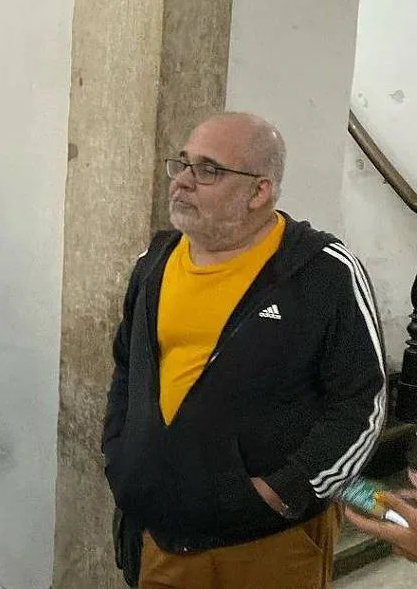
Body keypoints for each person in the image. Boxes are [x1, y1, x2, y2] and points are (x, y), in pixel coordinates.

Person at [103, 113, 387, 589]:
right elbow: (127, 371)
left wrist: (286, 489)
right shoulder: (154, 263)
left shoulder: (325, 273)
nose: (183, 182)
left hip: (268, 542)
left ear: (259, 191)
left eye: (209, 170)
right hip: (162, 535)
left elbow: (363, 402)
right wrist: (121, 454)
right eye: (183, 164)